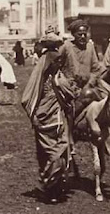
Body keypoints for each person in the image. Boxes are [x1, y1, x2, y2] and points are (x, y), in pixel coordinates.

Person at [22, 33, 73, 203]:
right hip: (45, 121)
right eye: (56, 62)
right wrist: (35, 117)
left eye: (59, 61)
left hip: (58, 120)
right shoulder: (43, 80)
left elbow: (68, 95)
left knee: (61, 151)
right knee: (52, 154)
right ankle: (50, 188)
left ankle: (55, 188)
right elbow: (28, 97)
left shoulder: (58, 78)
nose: (59, 63)